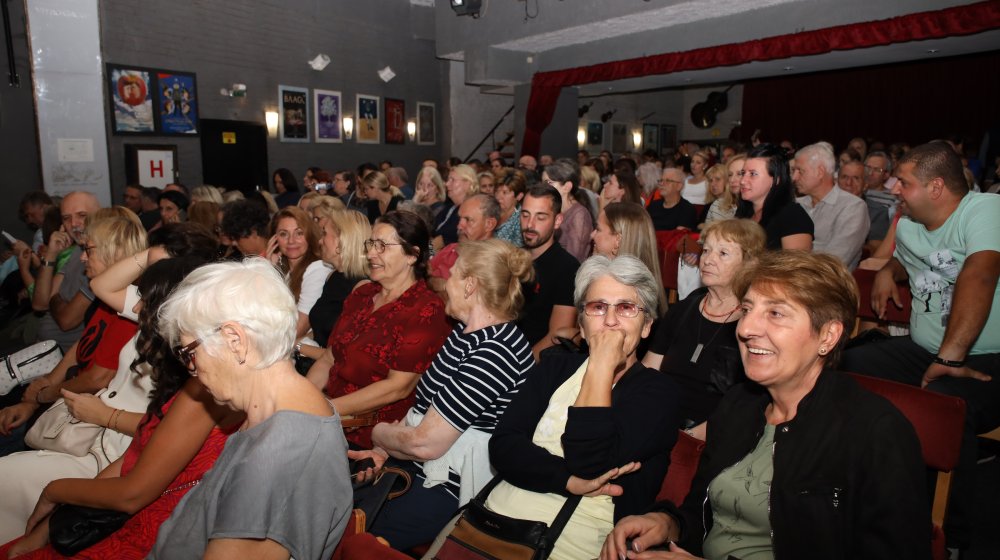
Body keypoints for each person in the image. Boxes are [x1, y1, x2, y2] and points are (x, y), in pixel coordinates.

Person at [603, 251, 930, 560]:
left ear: (828, 336)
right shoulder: (738, 405)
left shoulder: (875, 432)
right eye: (747, 310)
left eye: (775, 313)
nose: (745, 329)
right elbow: (702, 514)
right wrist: (667, 524)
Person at [841, 141, 1000, 553]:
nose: (894, 189)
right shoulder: (909, 224)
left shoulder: (984, 209)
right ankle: (860, 493)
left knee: (945, 403)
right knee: (847, 365)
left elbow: (980, 273)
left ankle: (950, 538)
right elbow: (922, 256)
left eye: (904, 182)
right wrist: (888, 270)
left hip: (987, 356)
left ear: (936, 187)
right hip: (926, 350)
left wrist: (950, 356)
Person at [148, 259, 351, 559]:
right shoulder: (276, 413)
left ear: (235, 341)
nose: (192, 369)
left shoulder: (278, 456)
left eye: (189, 353)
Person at [485, 255, 680, 559]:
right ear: (582, 324)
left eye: (626, 308)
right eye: (598, 307)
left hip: (570, 542)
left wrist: (601, 366)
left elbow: (590, 462)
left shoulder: (658, 393)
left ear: (646, 326)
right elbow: (503, 445)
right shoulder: (554, 368)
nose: (610, 320)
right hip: (489, 521)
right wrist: (569, 481)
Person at [0, 257, 205, 540]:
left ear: (167, 306)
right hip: (88, 436)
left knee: (6, 475)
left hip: (113, 455)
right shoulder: (150, 325)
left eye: (144, 300)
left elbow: (168, 432)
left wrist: (104, 416)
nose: (135, 307)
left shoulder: (191, 360)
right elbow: (101, 289)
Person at [350, 239, 536, 550]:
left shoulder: (496, 351)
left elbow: (425, 444)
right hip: (419, 472)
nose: (445, 283)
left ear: (470, 285)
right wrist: (385, 449)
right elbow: (423, 411)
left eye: (452, 275)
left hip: (447, 492)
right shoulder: (466, 333)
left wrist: (380, 433)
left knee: (353, 537)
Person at [0, 214, 147, 453]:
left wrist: (43, 395)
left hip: (87, 419)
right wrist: (36, 397)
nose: (82, 257)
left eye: (88, 250)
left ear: (113, 252)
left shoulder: (131, 305)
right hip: (67, 397)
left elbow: (97, 379)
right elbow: (82, 346)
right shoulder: (107, 299)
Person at [307, 211, 451, 448]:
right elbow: (329, 358)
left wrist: (324, 409)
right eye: (371, 243)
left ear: (412, 255)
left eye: (382, 246)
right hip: (327, 416)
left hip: (369, 436)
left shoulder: (426, 309)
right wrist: (304, 401)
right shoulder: (362, 295)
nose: (371, 253)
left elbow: (397, 388)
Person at [642, 219, 766, 439]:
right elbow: (648, 371)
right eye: (706, 250)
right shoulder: (682, 309)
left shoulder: (754, 325)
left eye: (723, 253)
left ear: (749, 263)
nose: (708, 259)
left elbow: (747, 406)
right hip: (658, 422)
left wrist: (687, 438)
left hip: (713, 436)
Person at [517, 185, 580, 360]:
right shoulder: (512, 258)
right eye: (525, 215)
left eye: (540, 217)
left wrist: (518, 367)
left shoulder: (568, 268)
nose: (530, 224)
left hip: (532, 364)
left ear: (557, 221)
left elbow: (556, 337)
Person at [303, 208, 371, 356]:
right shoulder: (333, 276)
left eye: (324, 234)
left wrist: (296, 347)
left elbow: (342, 355)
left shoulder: (363, 288)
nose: (320, 241)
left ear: (341, 243)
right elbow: (320, 331)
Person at [793, 142, 870, 269]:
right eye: (793, 171)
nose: (794, 177)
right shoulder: (795, 204)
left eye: (800, 171)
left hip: (821, 279)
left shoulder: (853, 207)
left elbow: (834, 263)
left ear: (820, 172)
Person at [591, 202, 667, 316]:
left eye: (598, 229)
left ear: (617, 241)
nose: (592, 235)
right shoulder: (642, 293)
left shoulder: (620, 295)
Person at [735, 143, 814, 250]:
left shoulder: (793, 215)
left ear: (776, 180)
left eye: (753, 174)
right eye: (743, 173)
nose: (743, 181)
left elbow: (796, 261)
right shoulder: (743, 212)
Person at [265, 206, 327, 340]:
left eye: (299, 233)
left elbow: (298, 329)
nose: (291, 241)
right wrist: (269, 270)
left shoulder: (318, 269)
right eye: (283, 234)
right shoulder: (285, 273)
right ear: (274, 240)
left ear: (309, 236)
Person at [544, 159, 594, 262]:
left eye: (549, 183)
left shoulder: (579, 215)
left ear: (567, 187)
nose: (543, 187)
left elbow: (574, 259)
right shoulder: (554, 208)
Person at [434, 164, 478, 251]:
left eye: (452, 180)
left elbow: (441, 242)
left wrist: (430, 250)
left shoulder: (472, 211)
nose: (447, 184)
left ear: (468, 183)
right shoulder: (449, 207)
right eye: (448, 180)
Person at [493, 170, 526, 247]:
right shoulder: (490, 212)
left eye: (505, 193)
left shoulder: (520, 221)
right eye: (497, 191)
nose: (498, 197)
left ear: (519, 196)